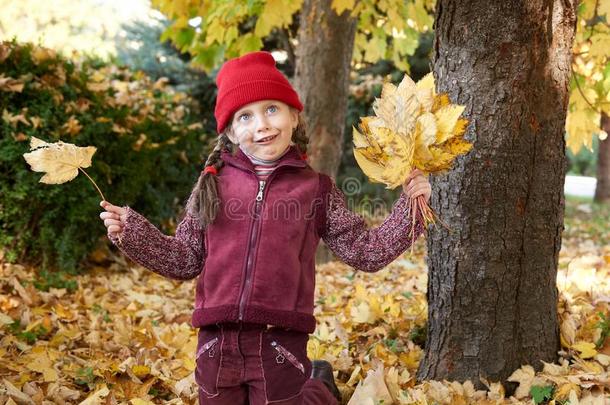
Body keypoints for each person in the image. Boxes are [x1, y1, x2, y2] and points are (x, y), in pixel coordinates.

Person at [99, 51, 431, 405]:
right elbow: (184, 259)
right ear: (230, 130)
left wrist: (413, 208)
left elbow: (365, 252)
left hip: (280, 341)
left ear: (293, 115)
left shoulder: (315, 190)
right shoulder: (212, 184)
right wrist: (131, 233)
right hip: (215, 341)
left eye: (272, 109)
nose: (262, 125)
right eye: (246, 116)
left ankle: (319, 390)